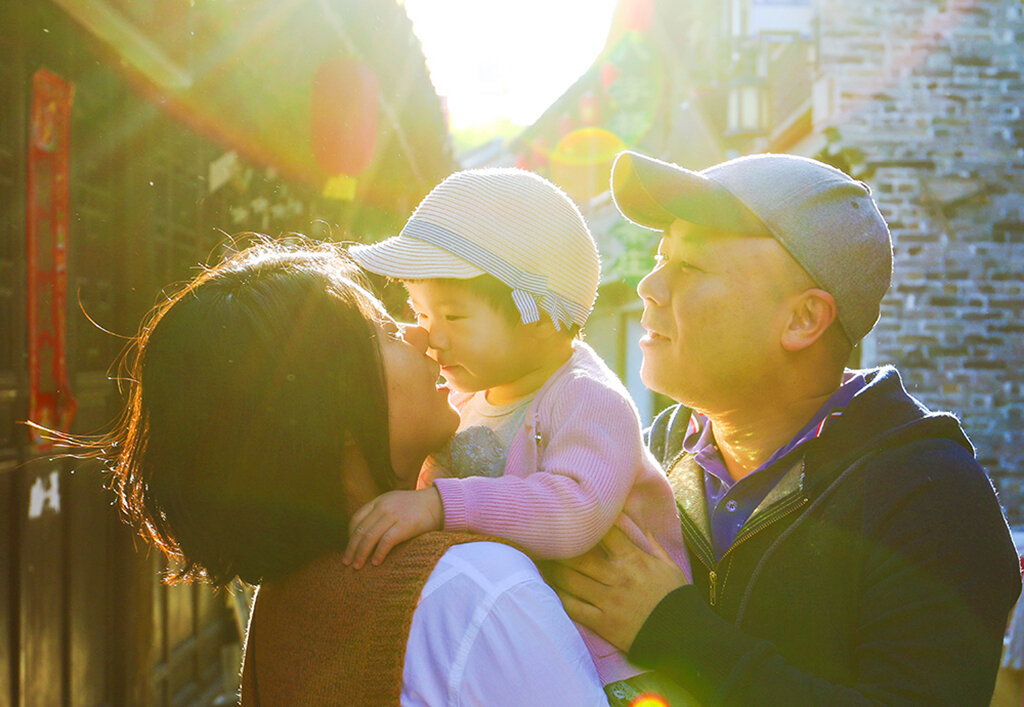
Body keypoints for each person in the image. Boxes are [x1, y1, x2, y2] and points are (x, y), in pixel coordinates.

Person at [545, 151, 1022, 705]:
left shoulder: (930, 497)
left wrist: (677, 633)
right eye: (661, 256)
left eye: (691, 266)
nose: (649, 286)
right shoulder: (647, 453)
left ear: (803, 319)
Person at [60, 238, 609, 705]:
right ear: (334, 410)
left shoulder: (282, 600)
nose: (421, 336)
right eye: (387, 333)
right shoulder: (471, 592)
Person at [345, 168, 692, 698]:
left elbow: (575, 511)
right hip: (519, 647)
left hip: (616, 668)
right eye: (419, 312)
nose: (430, 336)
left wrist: (440, 506)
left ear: (541, 317)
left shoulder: (586, 398)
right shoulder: (463, 399)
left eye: (454, 316)